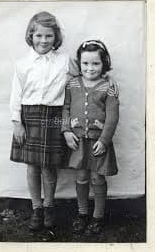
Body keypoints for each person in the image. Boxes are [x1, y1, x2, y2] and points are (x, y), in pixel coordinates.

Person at [10, 11, 118, 232]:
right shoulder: (22, 64)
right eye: (38, 35)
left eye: (49, 36)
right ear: (31, 36)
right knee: (32, 167)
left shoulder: (64, 61)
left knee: (49, 167)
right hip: (29, 116)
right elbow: (15, 94)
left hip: (54, 116)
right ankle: (36, 208)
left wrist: (109, 79)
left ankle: (49, 207)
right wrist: (16, 122)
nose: (43, 40)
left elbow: (86, 73)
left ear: (55, 37)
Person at [62, 40, 119, 235]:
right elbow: (66, 108)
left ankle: (98, 216)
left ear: (104, 64)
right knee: (81, 175)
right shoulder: (72, 84)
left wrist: (104, 140)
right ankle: (82, 213)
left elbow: (112, 116)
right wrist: (67, 131)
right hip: (78, 141)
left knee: (97, 177)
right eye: (85, 63)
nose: (90, 68)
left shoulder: (107, 87)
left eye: (95, 63)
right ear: (79, 63)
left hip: (98, 143)